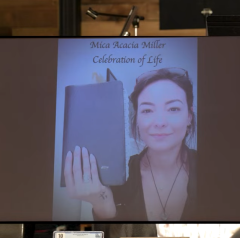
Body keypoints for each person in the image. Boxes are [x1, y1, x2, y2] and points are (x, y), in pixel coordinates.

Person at [64, 67, 197, 221]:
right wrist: (102, 205)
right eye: (147, 110)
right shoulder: (118, 175)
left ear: (189, 116)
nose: (160, 122)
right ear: (137, 119)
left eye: (173, 108)